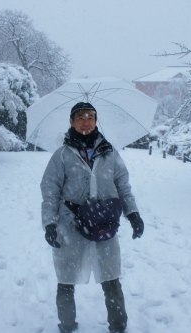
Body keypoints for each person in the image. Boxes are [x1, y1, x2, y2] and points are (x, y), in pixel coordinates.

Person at [40, 102, 145, 333]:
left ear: (96, 121)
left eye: (90, 117)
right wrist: (49, 223)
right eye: (80, 117)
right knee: (66, 278)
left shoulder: (110, 152)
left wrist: (133, 213)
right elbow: (50, 189)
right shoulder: (62, 156)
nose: (86, 121)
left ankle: (118, 326)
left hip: (103, 222)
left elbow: (123, 185)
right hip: (70, 224)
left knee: (111, 277)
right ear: (71, 122)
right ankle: (67, 325)